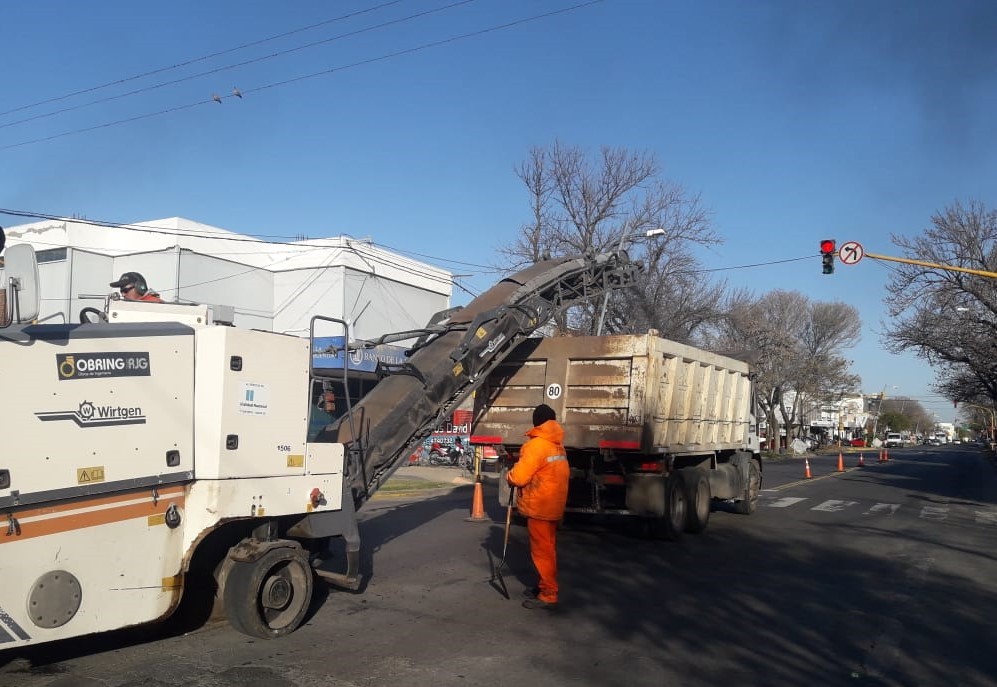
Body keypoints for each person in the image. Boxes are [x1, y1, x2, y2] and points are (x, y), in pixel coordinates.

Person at [506, 403, 569, 610]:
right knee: (548, 549)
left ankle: (548, 592)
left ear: (536, 422)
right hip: (553, 505)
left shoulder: (535, 446)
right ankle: (544, 585)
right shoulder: (557, 445)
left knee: (542, 552)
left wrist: (510, 476)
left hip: (539, 506)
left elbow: (519, 477)